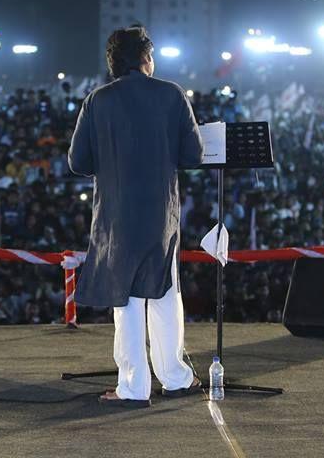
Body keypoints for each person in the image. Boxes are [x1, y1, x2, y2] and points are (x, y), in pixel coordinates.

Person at [68, 25, 204, 407]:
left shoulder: (97, 100)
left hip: (115, 217)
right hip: (160, 214)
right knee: (164, 295)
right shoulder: (171, 94)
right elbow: (193, 156)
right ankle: (175, 377)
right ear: (146, 59)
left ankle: (133, 387)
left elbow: (79, 163)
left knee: (125, 303)